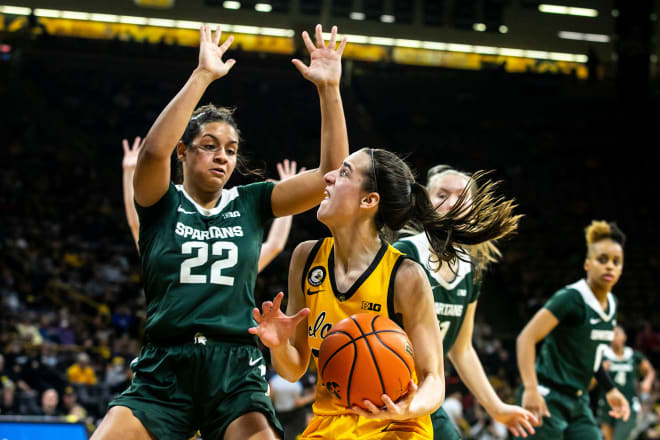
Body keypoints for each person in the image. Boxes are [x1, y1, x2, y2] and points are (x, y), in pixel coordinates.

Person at [91, 23, 349, 440]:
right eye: (209, 145)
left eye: (230, 150)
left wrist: (329, 89)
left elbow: (331, 177)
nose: (222, 157)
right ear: (184, 151)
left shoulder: (251, 201)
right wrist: (202, 75)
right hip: (165, 366)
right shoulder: (160, 202)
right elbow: (153, 152)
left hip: (235, 368)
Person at [249, 144, 525, 439]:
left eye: (343, 173)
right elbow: (293, 371)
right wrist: (279, 346)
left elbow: (434, 380)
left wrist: (405, 408)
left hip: (394, 427)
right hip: (330, 426)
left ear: (369, 200)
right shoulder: (305, 258)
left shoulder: (405, 276)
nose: (327, 177)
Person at [393, 164, 536, 439]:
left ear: (474, 208)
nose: (452, 203)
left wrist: (497, 408)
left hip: (425, 394)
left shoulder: (472, 270)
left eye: (461, 196)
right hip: (381, 389)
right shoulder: (404, 253)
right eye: (442, 195)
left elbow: (462, 350)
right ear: (427, 205)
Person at [516, 220, 631, 440]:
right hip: (547, 395)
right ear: (587, 264)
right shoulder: (571, 298)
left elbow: (592, 356)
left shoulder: (613, 304)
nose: (610, 266)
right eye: (602, 259)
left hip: (579, 401)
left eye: (616, 262)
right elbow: (526, 338)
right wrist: (530, 388)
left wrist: (611, 389)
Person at [123, 136, 303, 272]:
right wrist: (289, 195)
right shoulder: (235, 263)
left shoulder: (167, 251)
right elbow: (275, 245)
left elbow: (136, 223)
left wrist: (129, 172)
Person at [597, 325, 655, 440]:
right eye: (612, 334)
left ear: (625, 337)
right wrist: (600, 372)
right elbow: (590, 384)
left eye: (617, 334)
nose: (614, 337)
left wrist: (647, 381)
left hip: (628, 404)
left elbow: (650, 371)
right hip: (606, 404)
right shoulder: (603, 357)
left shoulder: (633, 355)